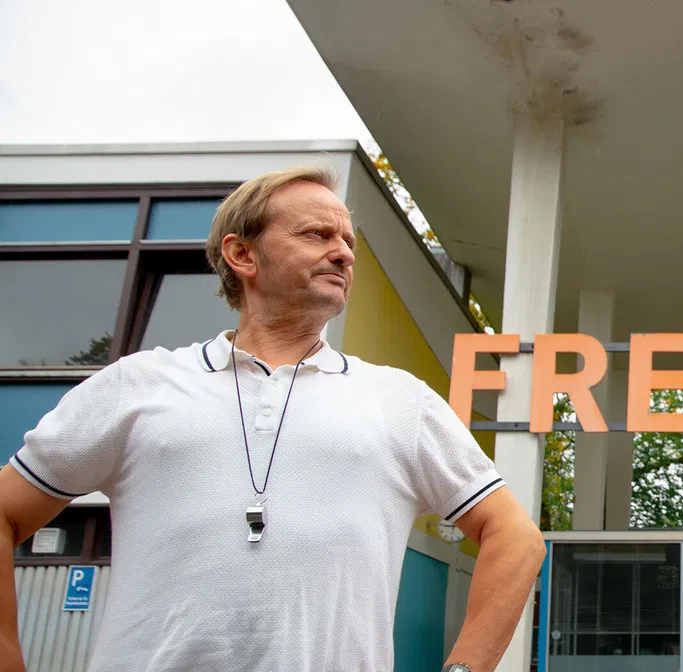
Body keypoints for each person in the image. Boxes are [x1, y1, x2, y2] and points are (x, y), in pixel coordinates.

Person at [0, 165, 544, 672]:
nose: (343, 254)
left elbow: (516, 537)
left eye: (348, 242)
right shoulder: (136, 384)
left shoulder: (402, 400)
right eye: (318, 235)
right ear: (242, 254)